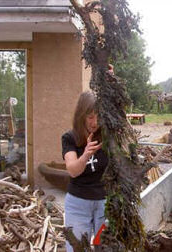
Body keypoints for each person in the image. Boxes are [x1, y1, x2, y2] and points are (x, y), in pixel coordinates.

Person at [61, 91, 108, 251]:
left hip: (105, 205)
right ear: (81, 115)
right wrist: (86, 154)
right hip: (78, 205)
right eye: (90, 117)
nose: (95, 122)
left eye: (99, 116)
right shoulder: (70, 137)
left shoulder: (108, 136)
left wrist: (109, 83)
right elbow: (73, 170)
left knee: (106, 247)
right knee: (77, 248)